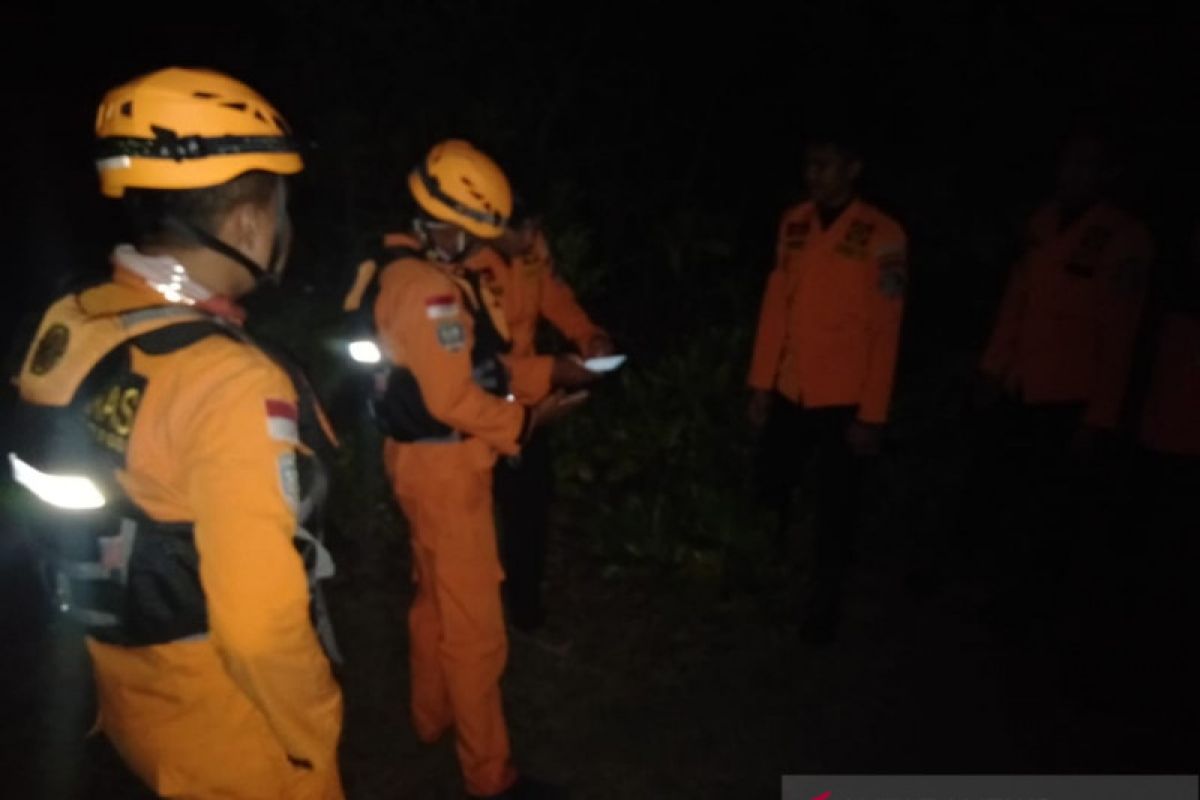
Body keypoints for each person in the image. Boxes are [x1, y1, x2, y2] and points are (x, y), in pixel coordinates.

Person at [8, 67, 344, 798]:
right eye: (278, 208)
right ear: (250, 223)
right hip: (234, 731)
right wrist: (315, 725)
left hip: (129, 692)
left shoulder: (77, 321)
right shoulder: (229, 383)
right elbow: (258, 629)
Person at [343, 139, 575, 799]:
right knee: (476, 629)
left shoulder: (401, 270)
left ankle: (431, 716)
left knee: (434, 602)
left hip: (415, 462)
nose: (483, 247)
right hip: (447, 470)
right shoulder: (432, 293)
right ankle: (489, 776)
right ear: (441, 223)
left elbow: (474, 369)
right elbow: (453, 397)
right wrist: (527, 423)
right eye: (474, 233)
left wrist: (546, 372)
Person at [971, 130, 1153, 637]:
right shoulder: (1044, 221)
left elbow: (1120, 333)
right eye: (1067, 162)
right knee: (1010, 491)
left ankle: (1041, 607)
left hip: (1071, 394)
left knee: (1052, 508)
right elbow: (1017, 299)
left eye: (1085, 165)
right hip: (1021, 383)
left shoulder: (1124, 237)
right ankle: (1001, 589)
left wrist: (1100, 416)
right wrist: (994, 364)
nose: (1070, 173)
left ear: (1107, 174)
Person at [746, 133, 908, 643]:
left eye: (826, 165)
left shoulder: (883, 234)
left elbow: (887, 328)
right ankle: (761, 581)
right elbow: (776, 307)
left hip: (844, 397)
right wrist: (760, 383)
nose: (814, 174)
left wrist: (872, 414)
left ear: (853, 168)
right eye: (809, 164)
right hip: (792, 386)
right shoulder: (794, 222)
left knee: (837, 509)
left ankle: (823, 607)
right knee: (770, 486)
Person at [466, 209, 612, 633]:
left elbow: (558, 301)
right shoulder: (465, 267)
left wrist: (590, 337)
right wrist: (552, 370)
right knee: (474, 513)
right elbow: (472, 361)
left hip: (530, 404)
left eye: (535, 225)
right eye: (523, 228)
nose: (534, 235)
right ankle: (476, 607)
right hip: (478, 407)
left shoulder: (530, 257)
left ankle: (525, 607)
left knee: (529, 507)